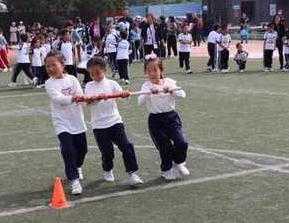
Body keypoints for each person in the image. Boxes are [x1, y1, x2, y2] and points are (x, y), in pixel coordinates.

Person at [84, 56, 143, 185]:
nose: (95, 76)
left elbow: (123, 98)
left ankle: (132, 173)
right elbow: (88, 104)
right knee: (107, 153)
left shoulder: (112, 84)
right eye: (91, 73)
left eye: (98, 73)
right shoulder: (89, 86)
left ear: (104, 70)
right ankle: (107, 169)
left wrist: (124, 94)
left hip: (115, 121)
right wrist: (97, 99)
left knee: (126, 146)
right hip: (99, 125)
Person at [138, 55, 189, 180]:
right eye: (148, 71)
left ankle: (178, 162)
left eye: (155, 70)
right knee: (165, 148)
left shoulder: (169, 82)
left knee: (182, 143)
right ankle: (166, 170)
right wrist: (149, 93)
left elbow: (182, 95)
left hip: (172, 118)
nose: (152, 74)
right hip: (156, 121)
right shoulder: (146, 85)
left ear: (161, 71)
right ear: (145, 73)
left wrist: (172, 90)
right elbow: (140, 103)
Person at [44, 51, 88, 195]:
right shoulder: (49, 83)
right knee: (68, 149)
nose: (50, 68)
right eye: (47, 66)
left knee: (82, 150)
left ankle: (77, 166)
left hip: (77, 120)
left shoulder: (73, 79)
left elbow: (81, 97)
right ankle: (75, 180)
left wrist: (90, 99)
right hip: (61, 122)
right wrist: (75, 98)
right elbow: (58, 99)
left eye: (54, 65)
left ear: (63, 65)